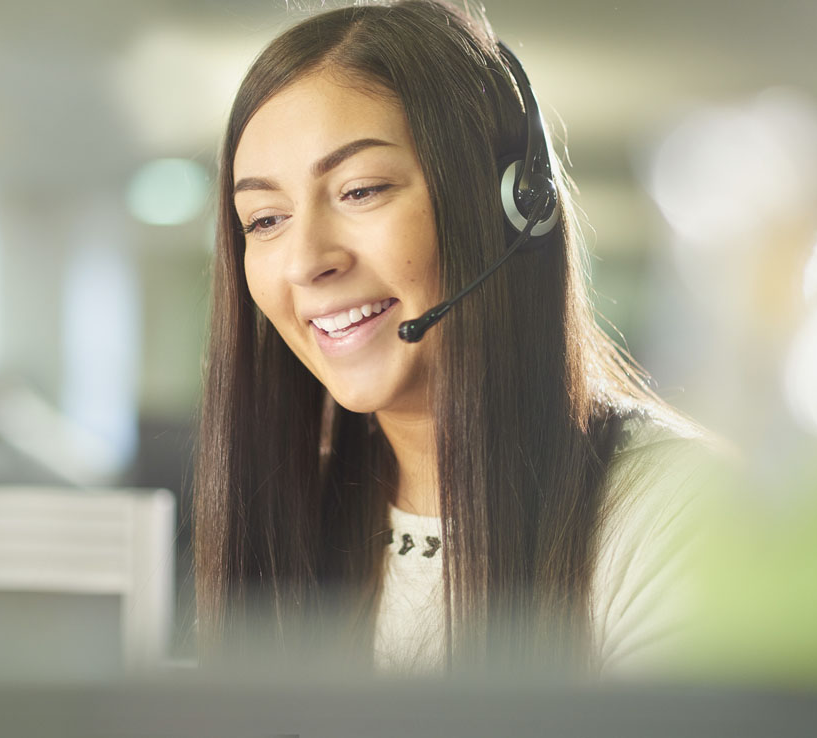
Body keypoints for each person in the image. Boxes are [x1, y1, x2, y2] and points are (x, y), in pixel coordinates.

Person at [193, 0, 720, 677]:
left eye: (361, 190)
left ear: (512, 209)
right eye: (264, 220)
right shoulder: (296, 512)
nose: (305, 261)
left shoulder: (672, 511)